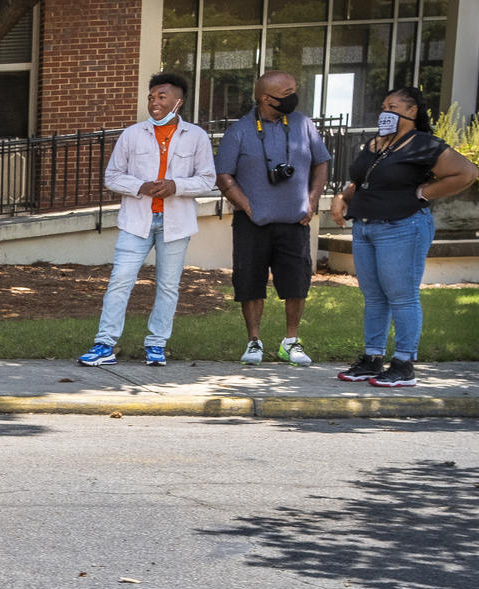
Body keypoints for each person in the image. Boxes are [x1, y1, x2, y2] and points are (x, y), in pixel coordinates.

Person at [332, 87, 478, 387]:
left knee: (402, 296)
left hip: (402, 227)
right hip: (365, 226)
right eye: (384, 105)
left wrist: (424, 192)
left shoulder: (423, 144)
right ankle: (373, 358)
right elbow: (363, 179)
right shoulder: (376, 144)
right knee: (373, 297)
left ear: (412, 112)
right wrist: (343, 197)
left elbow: (466, 172)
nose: (386, 111)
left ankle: (403, 363)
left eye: (393, 106)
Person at [77, 73, 215, 367]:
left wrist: (176, 186)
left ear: (178, 101)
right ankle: (104, 344)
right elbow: (112, 176)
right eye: (151, 97)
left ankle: (156, 344)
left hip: (175, 222)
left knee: (168, 285)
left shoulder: (197, 136)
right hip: (137, 220)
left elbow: (207, 179)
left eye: (162, 97)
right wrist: (140, 186)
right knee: (120, 280)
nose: (154, 102)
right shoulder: (133, 133)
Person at [215, 70, 331, 366]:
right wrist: (247, 205)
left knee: (296, 283)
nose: (294, 97)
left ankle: (290, 342)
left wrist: (312, 201)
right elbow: (223, 175)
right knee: (250, 282)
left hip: (295, 221)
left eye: (294, 89)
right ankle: (254, 342)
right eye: (287, 92)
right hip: (252, 223)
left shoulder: (304, 124)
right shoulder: (239, 130)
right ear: (266, 98)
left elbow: (322, 164)